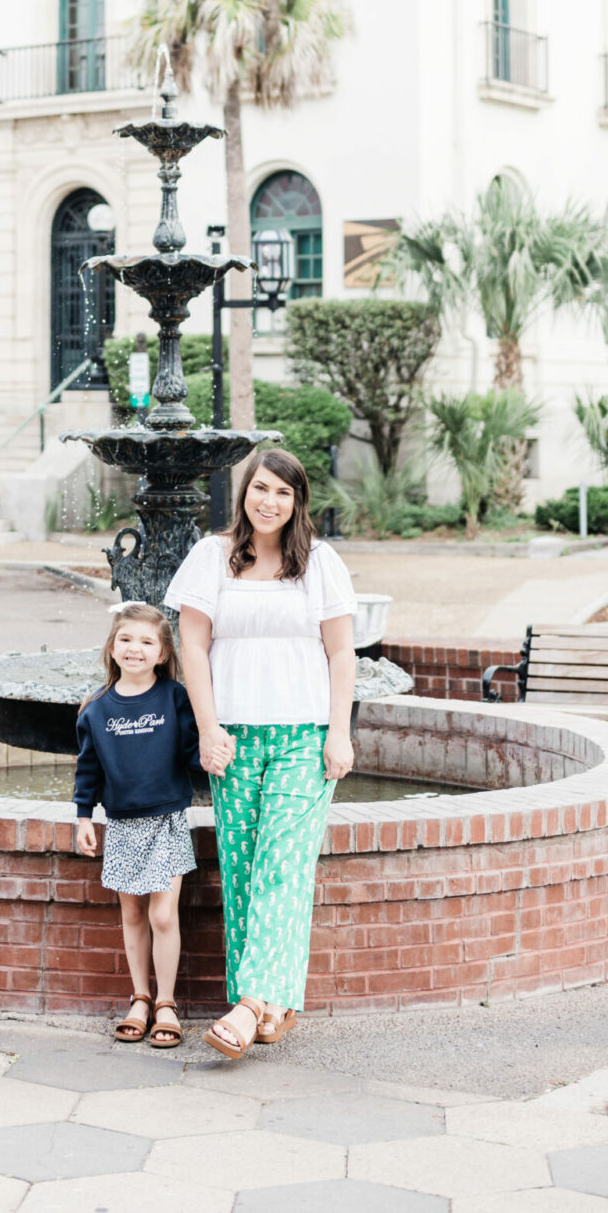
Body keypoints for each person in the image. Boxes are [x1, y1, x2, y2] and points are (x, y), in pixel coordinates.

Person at [165, 447, 356, 1060]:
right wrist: (208, 729)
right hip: (235, 738)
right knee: (244, 868)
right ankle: (274, 1001)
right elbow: (191, 648)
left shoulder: (320, 563)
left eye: (283, 492)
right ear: (243, 492)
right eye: (260, 489)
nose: (269, 502)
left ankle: (248, 1006)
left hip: (303, 735)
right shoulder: (211, 557)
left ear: (298, 501)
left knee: (282, 864)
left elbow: (341, 653)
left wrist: (338, 732)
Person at [74, 601, 200, 1048]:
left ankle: (167, 1002)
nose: (135, 648)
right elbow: (87, 770)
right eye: (126, 639)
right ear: (112, 646)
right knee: (132, 912)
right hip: (124, 824)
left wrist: (218, 750)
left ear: (163, 653)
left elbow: (191, 751)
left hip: (166, 820)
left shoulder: (174, 697)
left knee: (163, 914)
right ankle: (140, 998)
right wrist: (83, 816)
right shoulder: (96, 709)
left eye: (147, 641)